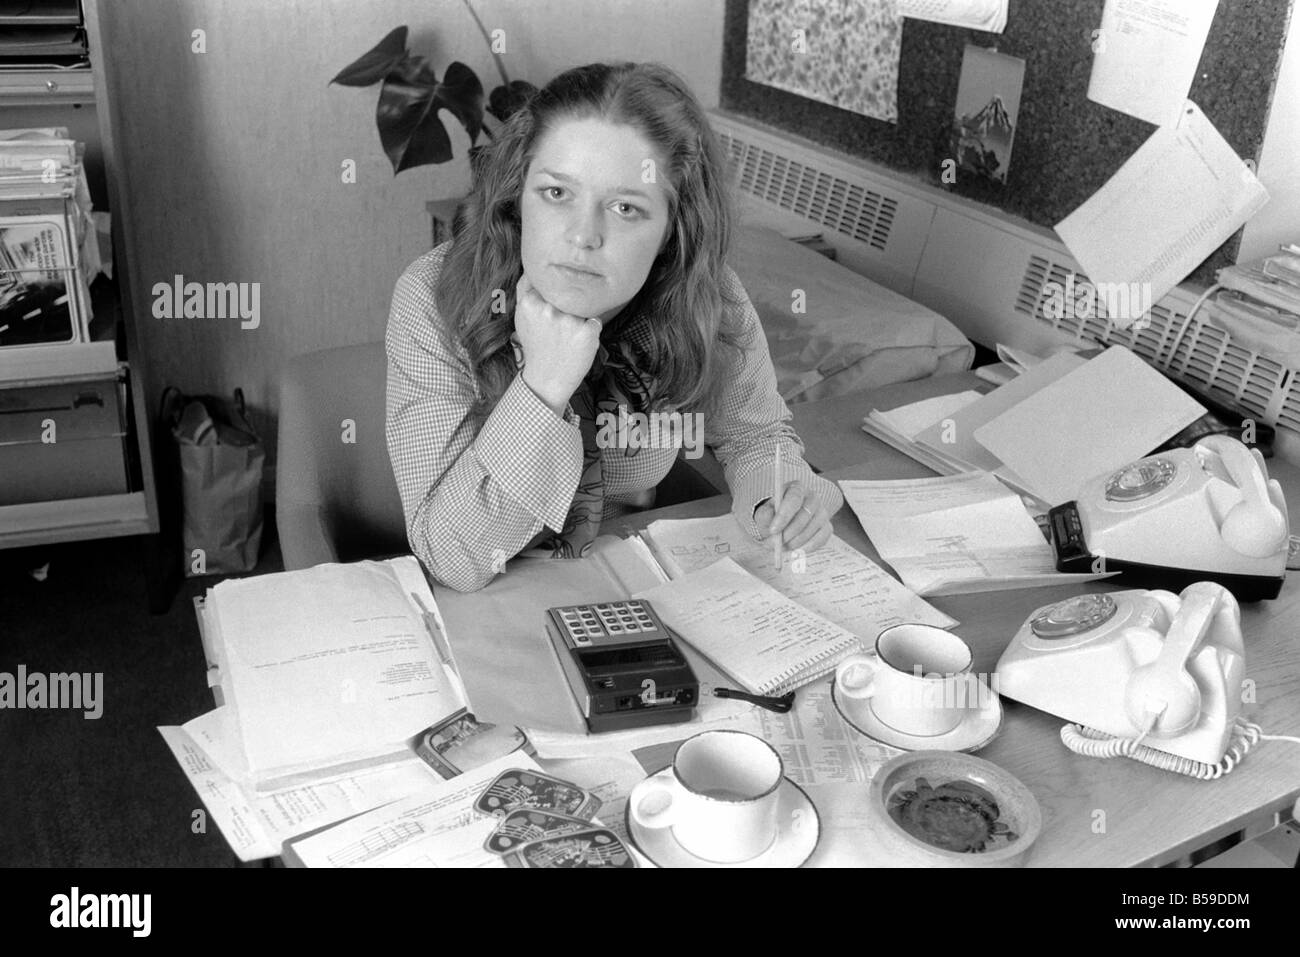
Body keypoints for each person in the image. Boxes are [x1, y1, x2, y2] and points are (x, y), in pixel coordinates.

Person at [386, 61, 844, 592]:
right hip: (490, 593)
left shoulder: (705, 296)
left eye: (626, 208)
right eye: (557, 194)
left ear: (673, 230)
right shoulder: (431, 298)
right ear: (517, 195)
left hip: (632, 578)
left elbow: (757, 434)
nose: (583, 236)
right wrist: (544, 388)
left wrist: (776, 494)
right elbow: (450, 557)